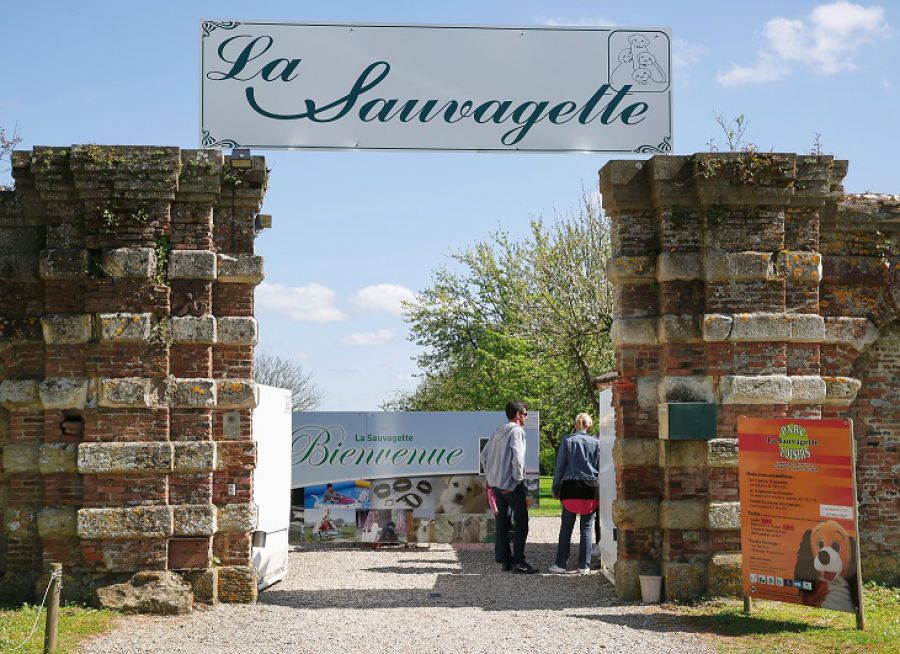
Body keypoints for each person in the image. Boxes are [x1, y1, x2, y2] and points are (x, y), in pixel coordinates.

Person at [480, 400, 538, 574]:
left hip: (496, 486)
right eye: (525, 414)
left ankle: (505, 560)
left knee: (502, 522)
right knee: (522, 523)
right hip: (510, 485)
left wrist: (491, 478)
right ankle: (519, 562)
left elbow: (484, 455)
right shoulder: (517, 431)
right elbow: (518, 458)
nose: (526, 418)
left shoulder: (499, 430)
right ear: (519, 415)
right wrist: (517, 480)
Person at [548, 413, 601, 575]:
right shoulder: (596, 442)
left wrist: (556, 488)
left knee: (566, 527)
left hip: (570, 487)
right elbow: (599, 468)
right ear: (589, 425)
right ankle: (584, 566)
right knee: (587, 527)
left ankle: (561, 564)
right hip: (590, 487)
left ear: (576, 424)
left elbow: (560, 467)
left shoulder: (567, 440)